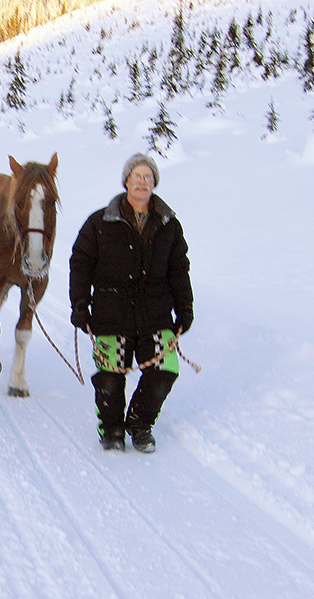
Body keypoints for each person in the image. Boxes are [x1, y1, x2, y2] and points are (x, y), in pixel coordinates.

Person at [69, 153, 193, 453]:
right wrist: (80, 306)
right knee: (110, 378)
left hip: (156, 314)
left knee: (165, 371)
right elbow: (81, 264)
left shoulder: (169, 224)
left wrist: (185, 308)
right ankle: (111, 429)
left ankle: (139, 424)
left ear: (154, 184)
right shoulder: (99, 222)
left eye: (147, 177)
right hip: (111, 314)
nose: (142, 182)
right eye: (136, 176)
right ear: (126, 181)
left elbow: (179, 268)